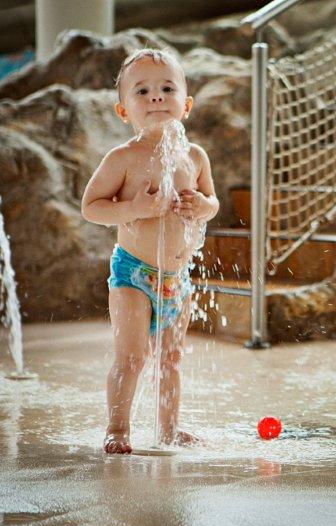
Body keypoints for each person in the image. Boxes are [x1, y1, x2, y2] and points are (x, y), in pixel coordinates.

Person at [81, 49, 219, 454]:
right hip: (133, 276)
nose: (156, 96)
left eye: (167, 89)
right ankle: (118, 428)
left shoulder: (195, 156)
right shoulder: (122, 158)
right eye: (142, 91)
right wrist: (134, 209)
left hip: (177, 279)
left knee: (171, 360)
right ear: (123, 111)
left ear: (186, 105)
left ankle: (169, 429)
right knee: (132, 358)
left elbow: (213, 202)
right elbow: (91, 207)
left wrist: (202, 205)